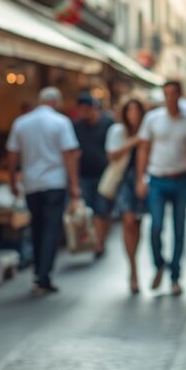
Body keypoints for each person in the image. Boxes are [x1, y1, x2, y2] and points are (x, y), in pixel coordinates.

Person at [6, 87, 81, 295]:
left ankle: (38, 272)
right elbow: (69, 155)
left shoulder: (21, 122)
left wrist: (12, 180)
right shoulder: (61, 122)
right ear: (55, 102)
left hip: (31, 184)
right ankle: (43, 275)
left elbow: (12, 154)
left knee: (37, 227)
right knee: (51, 229)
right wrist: (74, 184)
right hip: (55, 182)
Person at [136, 80, 186, 296]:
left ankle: (175, 276)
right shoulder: (152, 118)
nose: (170, 98)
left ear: (180, 94)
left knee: (179, 229)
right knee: (155, 226)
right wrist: (140, 178)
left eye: (173, 93)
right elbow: (143, 150)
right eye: (166, 94)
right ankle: (159, 265)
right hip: (157, 179)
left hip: (181, 179)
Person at [105, 98, 147, 294]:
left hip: (143, 180)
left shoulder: (147, 130)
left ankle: (135, 260)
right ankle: (133, 269)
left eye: (136, 111)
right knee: (128, 221)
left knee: (137, 224)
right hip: (123, 181)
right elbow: (112, 155)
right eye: (129, 111)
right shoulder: (117, 131)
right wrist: (133, 142)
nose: (133, 115)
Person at [73, 92, 114, 257]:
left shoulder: (107, 124)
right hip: (85, 175)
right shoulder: (77, 126)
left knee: (102, 211)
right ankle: (98, 242)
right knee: (93, 211)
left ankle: (100, 242)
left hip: (104, 175)